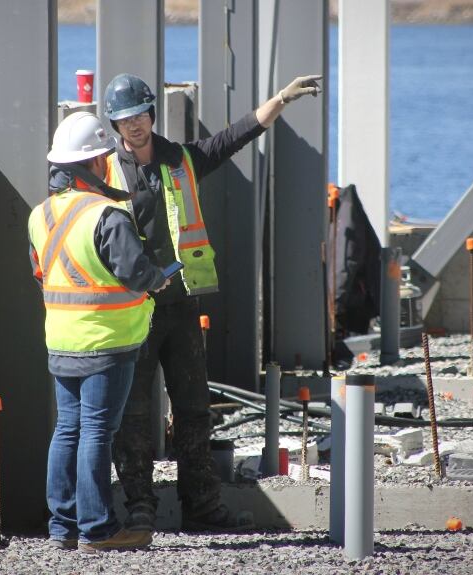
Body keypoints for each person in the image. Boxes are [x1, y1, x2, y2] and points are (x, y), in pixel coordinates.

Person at [102, 72, 322, 533]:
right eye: (125, 120)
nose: (135, 126)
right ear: (115, 126)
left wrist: (280, 98)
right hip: (133, 309)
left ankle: (200, 503)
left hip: (179, 304)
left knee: (193, 406)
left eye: (140, 115)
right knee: (134, 414)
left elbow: (234, 137)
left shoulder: (181, 159)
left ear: (151, 115)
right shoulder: (103, 172)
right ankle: (139, 505)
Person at [27, 111, 169, 554]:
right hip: (106, 343)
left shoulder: (40, 215)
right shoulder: (106, 215)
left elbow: (42, 272)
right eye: (105, 157)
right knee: (97, 433)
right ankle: (98, 530)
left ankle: (63, 526)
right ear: (93, 165)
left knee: (68, 429)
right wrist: (158, 278)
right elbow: (135, 273)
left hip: (61, 340)